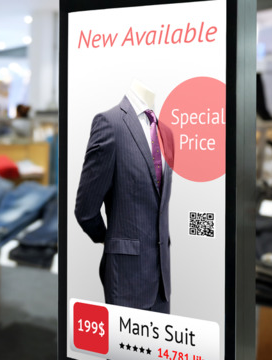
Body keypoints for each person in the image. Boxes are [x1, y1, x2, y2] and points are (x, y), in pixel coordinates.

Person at [74, 82, 175, 314]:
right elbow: (86, 209)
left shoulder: (166, 132)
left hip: (162, 279)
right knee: (124, 350)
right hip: (127, 275)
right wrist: (108, 240)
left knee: (158, 349)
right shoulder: (110, 123)